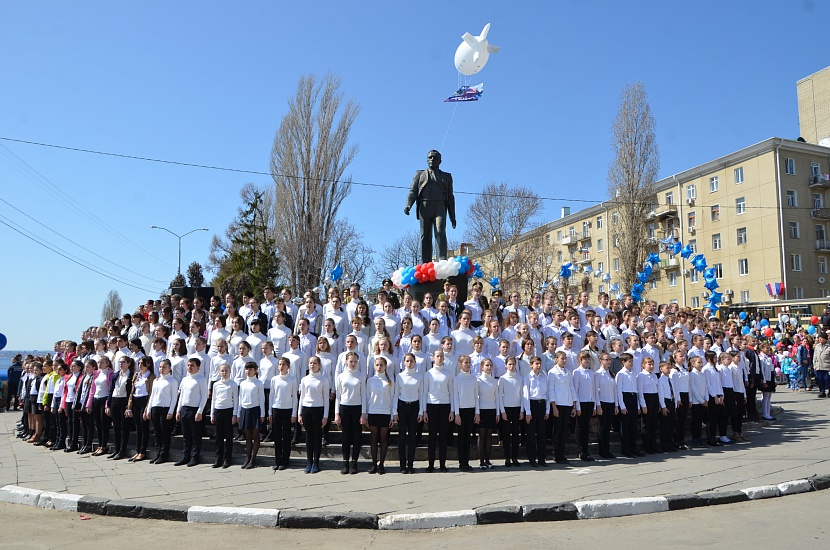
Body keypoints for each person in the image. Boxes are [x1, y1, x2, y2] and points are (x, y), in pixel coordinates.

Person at [403, 149, 457, 263]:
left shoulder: (447, 177)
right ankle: (426, 262)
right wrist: (408, 205)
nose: (432, 159)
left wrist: (453, 217)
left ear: (440, 161)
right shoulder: (420, 174)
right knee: (425, 235)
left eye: (435, 157)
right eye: (430, 157)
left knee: (440, 230)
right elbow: (413, 191)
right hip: (425, 206)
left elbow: (450, 197)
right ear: (427, 160)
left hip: (439, 207)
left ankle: (441, 260)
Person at [335, 351, 366, 474]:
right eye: (350, 361)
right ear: (346, 362)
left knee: (357, 436)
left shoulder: (361, 376)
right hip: (344, 407)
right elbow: (338, 395)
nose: (353, 363)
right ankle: (345, 462)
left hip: (357, 408)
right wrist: (337, 413)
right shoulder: (341, 376)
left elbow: (364, 395)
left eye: (355, 361)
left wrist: (364, 413)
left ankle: (354, 462)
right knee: (346, 436)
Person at [298, 356, 330, 473]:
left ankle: (316, 462)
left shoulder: (323, 380)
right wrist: (299, 413)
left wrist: (325, 416)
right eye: (310, 363)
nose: (312, 365)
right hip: (306, 409)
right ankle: (309, 462)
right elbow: (302, 397)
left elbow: (326, 398)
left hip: (318, 410)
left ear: (319, 365)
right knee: (308, 436)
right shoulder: (304, 379)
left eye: (315, 363)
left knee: (317, 436)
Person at [175, 357, 209, 467]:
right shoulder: (185, 379)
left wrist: (200, 411)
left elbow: (204, 397)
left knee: (196, 435)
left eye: (192, 365)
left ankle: (195, 457)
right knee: (186, 435)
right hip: (185, 409)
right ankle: (185, 456)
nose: (190, 367)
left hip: (195, 410)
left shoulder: (201, 380)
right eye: (188, 365)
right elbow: (181, 396)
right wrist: (178, 410)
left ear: (198, 367)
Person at [424, 349, 454, 472]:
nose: (440, 358)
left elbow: (451, 392)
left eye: (442, 356)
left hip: (445, 406)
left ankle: (442, 464)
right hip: (431, 405)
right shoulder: (428, 374)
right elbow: (425, 392)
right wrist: (424, 411)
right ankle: (431, 464)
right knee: (432, 437)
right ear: (434, 358)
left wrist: (452, 411)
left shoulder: (448, 373)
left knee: (443, 436)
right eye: (438, 356)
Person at [395, 353, 425, 474]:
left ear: (415, 362)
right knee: (402, 437)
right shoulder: (400, 376)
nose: (409, 363)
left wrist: (421, 411)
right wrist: (394, 411)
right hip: (402, 406)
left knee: (413, 437)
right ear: (404, 362)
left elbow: (422, 394)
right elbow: (396, 394)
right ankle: (402, 465)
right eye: (407, 361)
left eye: (411, 361)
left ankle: (410, 464)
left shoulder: (419, 376)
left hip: (414, 407)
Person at [366, 356, 395, 474]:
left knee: (383, 438)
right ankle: (374, 464)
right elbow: (367, 397)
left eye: (381, 365)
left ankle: (381, 464)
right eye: (377, 365)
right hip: (373, 411)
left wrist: (393, 415)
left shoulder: (390, 381)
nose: (379, 367)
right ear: (374, 366)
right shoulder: (370, 380)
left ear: (385, 366)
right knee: (374, 438)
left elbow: (393, 398)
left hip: (385, 412)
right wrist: (366, 414)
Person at [147, 359, 178, 464]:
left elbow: (174, 397)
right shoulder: (156, 380)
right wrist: (149, 409)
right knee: (157, 433)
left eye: (164, 367)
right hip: (156, 407)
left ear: (169, 368)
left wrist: (171, 411)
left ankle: (164, 454)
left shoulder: (172, 381)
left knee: (164, 433)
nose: (162, 369)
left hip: (165, 408)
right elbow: (152, 395)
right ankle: (158, 453)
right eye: (160, 367)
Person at [269, 357, 298, 471]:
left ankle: (285, 460)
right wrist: (269, 412)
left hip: (287, 409)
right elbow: (271, 396)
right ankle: (277, 460)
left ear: (288, 366)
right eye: (280, 364)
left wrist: (294, 413)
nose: (281, 367)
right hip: (276, 408)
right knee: (277, 435)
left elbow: (295, 398)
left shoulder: (292, 379)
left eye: (284, 364)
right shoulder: (274, 379)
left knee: (286, 435)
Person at [548, 353, 577, 464]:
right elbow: (551, 389)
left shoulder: (568, 372)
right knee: (557, 429)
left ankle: (562, 453)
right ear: (556, 359)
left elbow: (571, 388)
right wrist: (554, 406)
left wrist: (574, 406)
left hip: (567, 403)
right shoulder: (552, 372)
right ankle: (556, 453)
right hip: (558, 404)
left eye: (565, 358)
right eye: (562, 358)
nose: (564, 360)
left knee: (564, 430)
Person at [238, 362, 266, 469]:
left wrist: (262, 414)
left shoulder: (258, 383)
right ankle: (248, 458)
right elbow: (241, 398)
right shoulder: (243, 383)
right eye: (247, 369)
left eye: (251, 369)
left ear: (255, 370)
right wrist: (239, 412)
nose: (248, 371)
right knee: (247, 436)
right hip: (245, 410)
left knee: (255, 435)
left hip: (255, 410)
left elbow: (261, 399)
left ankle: (253, 459)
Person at [126, 356, 155, 461]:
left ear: (148, 365)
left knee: (144, 427)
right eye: (139, 364)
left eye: (142, 364)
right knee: (138, 427)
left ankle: (142, 451)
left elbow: (151, 392)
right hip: (136, 401)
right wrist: (129, 406)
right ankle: (137, 450)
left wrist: (148, 407)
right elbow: (132, 391)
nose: (140, 366)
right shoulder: (136, 375)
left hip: (145, 401)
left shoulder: (151, 376)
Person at [210, 363, 238, 468]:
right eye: (222, 371)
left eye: (226, 371)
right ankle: (218, 459)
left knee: (228, 436)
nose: (224, 373)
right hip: (218, 410)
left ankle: (227, 459)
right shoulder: (216, 384)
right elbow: (214, 399)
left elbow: (236, 399)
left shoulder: (233, 384)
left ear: (230, 372)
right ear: (219, 372)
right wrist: (212, 414)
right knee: (219, 436)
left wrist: (235, 414)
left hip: (229, 411)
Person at [106, 356, 135, 460]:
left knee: (125, 427)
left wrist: (129, 406)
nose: (121, 364)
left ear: (128, 363)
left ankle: (122, 450)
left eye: (123, 362)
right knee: (116, 426)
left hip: (124, 401)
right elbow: (111, 389)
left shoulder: (131, 375)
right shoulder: (116, 375)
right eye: (119, 362)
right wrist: (108, 404)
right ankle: (117, 449)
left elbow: (131, 392)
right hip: (115, 400)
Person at [453, 354, 477, 472]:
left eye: (469, 363)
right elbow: (455, 397)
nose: (468, 365)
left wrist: (476, 412)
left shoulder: (473, 379)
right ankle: (461, 462)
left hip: (471, 409)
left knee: (468, 437)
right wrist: (456, 414)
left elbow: (476, 396)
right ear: (460, 364)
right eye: (465, 363)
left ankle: (466, 462)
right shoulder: (457, 379)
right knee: (461, 437)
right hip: (461, 410)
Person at [572, 351, 598, 461]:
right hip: (581, 402)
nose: (587, 361)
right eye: (584, 359)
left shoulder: (591, 372)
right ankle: (580, 450)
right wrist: (577, 406)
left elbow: (594, 390)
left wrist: (595, 405)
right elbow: (575, 390)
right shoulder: (576, 372)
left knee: (586, 426)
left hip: (590, 401)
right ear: (579, 360)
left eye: (588, 359)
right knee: (580, 426)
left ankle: (586, 450)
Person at [498, 357, 523, 467]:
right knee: (506, 434)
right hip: (506, 408)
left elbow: (523, 396)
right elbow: (499, 397)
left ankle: (515, 457)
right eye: (510, 364)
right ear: (506, 365)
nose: (512, 366)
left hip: (517, 408)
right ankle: (507, 457)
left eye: (513, 364)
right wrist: (502, 411)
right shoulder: (503, 379)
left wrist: (522, 410)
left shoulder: (520, 378)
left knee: (516, 435)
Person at [476, 357, 499, 469]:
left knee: (489, 436)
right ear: (482, 367)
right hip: (481, 410)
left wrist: (498, 413)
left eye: (490, 365)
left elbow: (497, 398)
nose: (489, 367)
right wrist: (477, 413)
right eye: (486, 365)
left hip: (492, 409)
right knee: (482, 435)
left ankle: (488, 460)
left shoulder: (495, 381)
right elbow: (476, 398)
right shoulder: (478, 380)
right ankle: (481, 461)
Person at [595, 353, 617, 459]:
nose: (609, 361)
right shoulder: (598, 374)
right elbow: (596, 391)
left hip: (611, 402)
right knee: (602, 427)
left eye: (610, 359)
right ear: (601, 360)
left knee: (608, 427)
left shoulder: (611, 374)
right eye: (606, 359)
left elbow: (614, 390)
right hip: (602, 402)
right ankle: (602, 450)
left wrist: (616, 405)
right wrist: (598, 405)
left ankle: (607, 450)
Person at [657, 361, 677, 453]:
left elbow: (674, 391)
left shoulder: (671, 379)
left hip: (672, 401)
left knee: (671, 425)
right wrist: (663, 406)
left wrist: (675, 403)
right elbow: (661, 394)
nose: (669, 370)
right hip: (666, 402)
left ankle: (671, 444)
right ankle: (664, 445)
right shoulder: (661, 380)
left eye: (670, 368)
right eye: (667, 368)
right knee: (665, 426)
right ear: (661, 369)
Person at [688, 356, 708, 447]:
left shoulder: (703, 374)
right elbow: (693, 389)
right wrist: (700, 400)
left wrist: (706, 398)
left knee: (700, 421)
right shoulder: (692, 374)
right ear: (693, 364)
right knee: (696, 421)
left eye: (701, 362)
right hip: (696, 402)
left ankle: (699, 438)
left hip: (703, 401)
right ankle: (695, 439)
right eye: (698, 362)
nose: (700, 364)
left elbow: (705, 386)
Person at [812, 332, 830, 398]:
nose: (820, 339)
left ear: (825, 339)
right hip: (819, 366)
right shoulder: (817, 346)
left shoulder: (829, 346)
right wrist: (814, 364)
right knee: (820, 380)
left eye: (821, 338)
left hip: (827, 366)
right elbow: (815, 356)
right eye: (819, 338)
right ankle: (822, 391)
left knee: (827, 379)